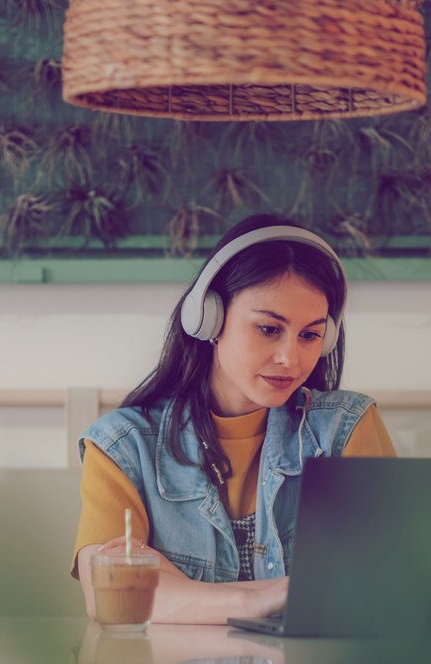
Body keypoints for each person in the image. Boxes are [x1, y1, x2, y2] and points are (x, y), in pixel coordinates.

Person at [71, 213, 396, 624]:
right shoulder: (122, 447)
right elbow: (111, 597)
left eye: (310, 335)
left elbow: (382, 589)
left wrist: (185, 595)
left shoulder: (346, 429)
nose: (290, 358)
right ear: (208, 318)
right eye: (268, 328)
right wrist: (261, 599)